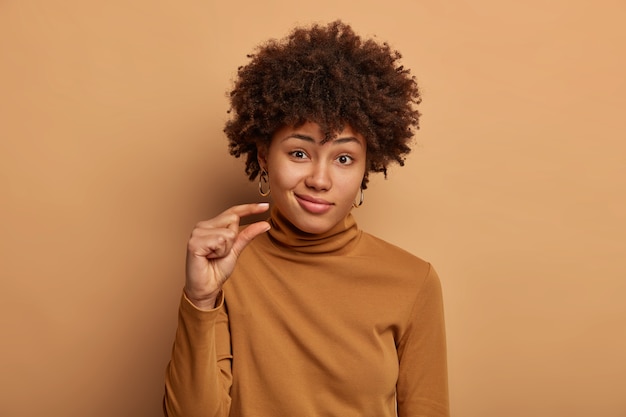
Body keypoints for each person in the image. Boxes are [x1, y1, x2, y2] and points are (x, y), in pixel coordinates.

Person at [163, 20, 449, 417]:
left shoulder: (413, 282)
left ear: (367, 169)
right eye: (299, 153)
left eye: (344, 158)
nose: (319, 179)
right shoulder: (228, 268)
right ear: (264, 155)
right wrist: (201, 299)